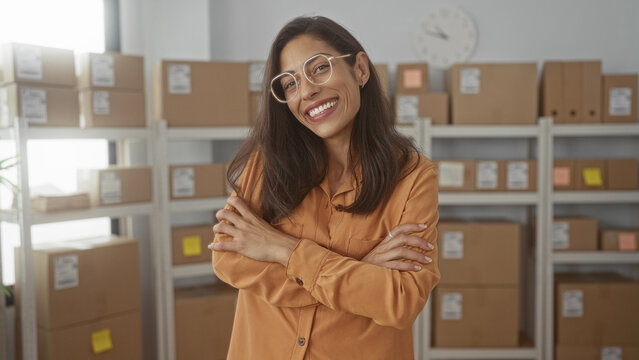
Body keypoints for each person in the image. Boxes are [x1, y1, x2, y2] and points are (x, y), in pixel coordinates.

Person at [208, 15, 440, 360]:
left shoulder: (413, 176)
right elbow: (229, 262)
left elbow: (401, 301)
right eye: (289, 84)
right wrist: (361, 268)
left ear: (360, 69)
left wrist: (282, 249)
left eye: (319, 68)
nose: (307, 91)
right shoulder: (267, 163)